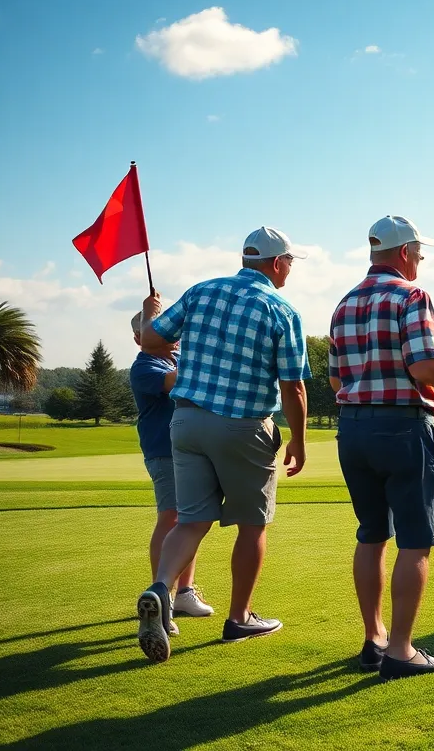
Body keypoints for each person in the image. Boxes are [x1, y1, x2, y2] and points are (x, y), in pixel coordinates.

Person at [134, 227, 311, 663]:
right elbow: (294, 388)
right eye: (290, 261)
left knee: (191, 520)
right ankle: (239, 618)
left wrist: (152, 318)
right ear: (275, 263)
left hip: (187, 422)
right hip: (242, 426)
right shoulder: (281, 308)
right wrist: (299, 441)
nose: (290, 268)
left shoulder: (201, 291)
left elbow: (151, 340)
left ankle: (161, 590)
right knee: (253, 524)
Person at [329, 215, 434, 681]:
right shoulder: (411, 295)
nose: (420, 260)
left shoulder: (343, 303)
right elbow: (425, 367)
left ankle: (374, 639)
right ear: (404, 253)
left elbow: (337, 378)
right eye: (419, 252)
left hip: (353, 430)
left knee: (371, 533)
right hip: (402, 428)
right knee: (415, 540)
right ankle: (400, 651)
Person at [128, 308, 213, 633]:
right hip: (165, 452)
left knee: (190, 519)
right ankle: (161, 594)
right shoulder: (145, 367)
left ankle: (184, 593)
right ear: (139, 339)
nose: (171, 336)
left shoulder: (175, 359)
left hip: (190, 450)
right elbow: (177, 383)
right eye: (160, 331)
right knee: (172, 517)